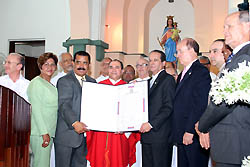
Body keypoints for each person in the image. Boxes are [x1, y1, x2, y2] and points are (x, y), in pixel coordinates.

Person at [197, 11, 250, 167]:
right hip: (232, 141)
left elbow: (223, 101)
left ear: (247, 27)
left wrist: (202, 125)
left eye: (229, 26)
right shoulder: (239, 56)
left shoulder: (244, 57)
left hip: (234, 141)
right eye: (223, 27)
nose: (224, 31)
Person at [172, 38, 211, 167]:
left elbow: (199, 104)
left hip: (191, 134)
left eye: (180, 51)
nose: (177, 55)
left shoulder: (201, 72)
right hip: (181, 132)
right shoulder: (183, 72)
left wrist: (190, 131)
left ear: (192, 51)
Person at [54, 51, 96, 167]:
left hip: (84, 138)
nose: (81, 66)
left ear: (89, 65)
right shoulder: (64, 81)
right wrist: (74, 122)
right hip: (67, 136)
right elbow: (64, 105)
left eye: (85, 63)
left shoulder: (93, 82)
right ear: (73, 63)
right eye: (78, 62)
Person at [86, 59, 130, 167]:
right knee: (100, 159)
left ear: (122, 70)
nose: (113, 70)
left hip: (119, 133)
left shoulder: (128, 88)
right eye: (111, 67)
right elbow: (92, 108)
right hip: (100, 132)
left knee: (117, 159)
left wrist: (126, 127)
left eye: (117, 67)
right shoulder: (99, 86)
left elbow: (131, 112)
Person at [140, 50, 175, 167]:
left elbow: (168, 107)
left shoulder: (168, 79)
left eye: (155, 60)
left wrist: (151, 124)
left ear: (163, 63)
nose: (152, 63)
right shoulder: (148, 82)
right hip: (146, 135)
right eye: (150, 60)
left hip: (160, 135)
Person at [27, 52, 58, 167]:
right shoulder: (36, 83)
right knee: (41, 164)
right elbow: (36, 110)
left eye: (52, 64)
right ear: (40, 66)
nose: (49, 67)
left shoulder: (49, 84)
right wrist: (44, 133)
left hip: (49, 131)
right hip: (40, 133)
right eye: (46, 64)